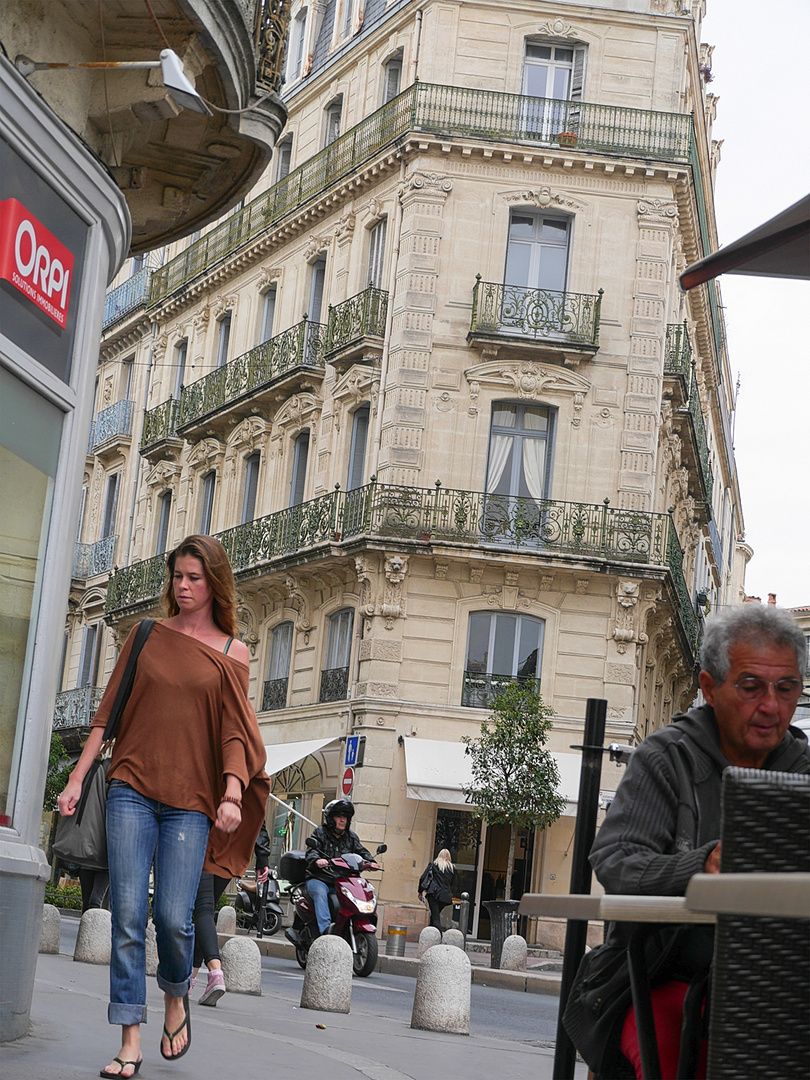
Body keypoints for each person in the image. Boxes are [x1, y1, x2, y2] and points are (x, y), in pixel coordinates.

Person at [57, 535, 269, 1080]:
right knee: (127, 915)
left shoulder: (231, 653)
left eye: (195, 577)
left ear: (213, 582)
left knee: (174, 920)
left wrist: (229, 792)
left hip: (191, 804)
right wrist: (78, 779)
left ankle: (176, 994)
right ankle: (130, 1038)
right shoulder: (145, 636)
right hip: (130, 787)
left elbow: (234, 734)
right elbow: (105, 716)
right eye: (177, 576)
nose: (183, 586)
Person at [587, 603, 809, 1080]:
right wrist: (700, 865)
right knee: (671, 1053)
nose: (771, 706)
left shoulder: (805, 770)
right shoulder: (665, 759)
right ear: (709, 688)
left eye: (786, 688)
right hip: (664, 975)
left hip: (780, 986)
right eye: (751, 687)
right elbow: (615, 861)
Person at [191, 822, 272, 1006]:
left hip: (205, 837)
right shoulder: (246, 791)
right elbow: (256, 811)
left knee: (203, 909)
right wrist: (263, 858)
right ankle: (191, 978)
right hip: (231, 847)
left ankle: (215, 973)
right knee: (205, 913)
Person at [304, 798, 379, 935]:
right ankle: (326, 931)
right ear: (331, 818)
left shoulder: (351, 837)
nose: (342, 820)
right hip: (320, 878)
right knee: (320, 893)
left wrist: (371, 861)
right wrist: (317, 860)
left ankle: (346, 927)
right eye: (339, 816)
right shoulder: (320, 832)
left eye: (345, 817)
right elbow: (311, 850)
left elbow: (361, 851)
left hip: (342, 880)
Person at [418, 849, 455, 931]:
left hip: (434, 893)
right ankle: (431, 935)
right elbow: (452, 883)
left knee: (435, 918)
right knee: (435, 915)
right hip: (445, 896)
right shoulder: (451, 868)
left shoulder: (433, 865)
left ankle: (439, 937)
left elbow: (423, 878)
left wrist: (420, 891)